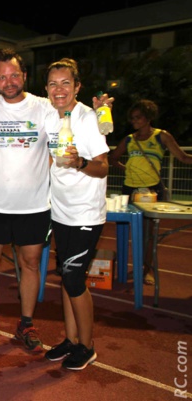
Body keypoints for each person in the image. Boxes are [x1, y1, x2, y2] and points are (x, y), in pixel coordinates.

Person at [0, 48, 57, 353]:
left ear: (25, 75)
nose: (9, 81)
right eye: (2, 77)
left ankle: (26, 323)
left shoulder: (45, 107)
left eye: (14, 74)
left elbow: (64, 136)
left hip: (34, 206)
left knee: (30, 264)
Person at [43, 58, 109, 370]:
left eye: (65, 83)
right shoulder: (49, 118)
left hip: (85, 213)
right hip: (61, 211)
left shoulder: (87, 119)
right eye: (53, 83)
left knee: (73, 278)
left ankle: (88, 345)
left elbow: (104, 165)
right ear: (46, 89)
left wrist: (80, 162)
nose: (59, 89)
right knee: (66, 278)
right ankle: (71, 339)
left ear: (77, 87)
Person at [109, 99, 192, 284]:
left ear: (148, 117)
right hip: (129, 189)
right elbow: (113, 158)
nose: (134, 121)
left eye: (138, 118)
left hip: (152, 191)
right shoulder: (129, 139)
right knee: (127, 230)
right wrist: (127, 169)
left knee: (149, 233)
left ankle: (147, 269)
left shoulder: (161, 136)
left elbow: (183, 157)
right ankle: (125, 268)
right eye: (132, 118)